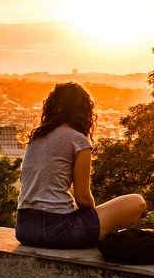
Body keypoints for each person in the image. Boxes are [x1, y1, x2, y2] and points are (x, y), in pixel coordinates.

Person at [15, 82, 146, 249]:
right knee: (137, 202)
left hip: (24, 229)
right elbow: (83, 198)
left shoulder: (37, 138)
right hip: (58, 231)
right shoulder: (78, 140)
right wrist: (94, 218)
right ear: (84, 111)